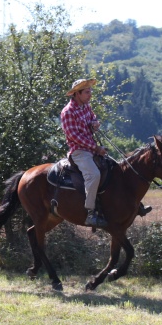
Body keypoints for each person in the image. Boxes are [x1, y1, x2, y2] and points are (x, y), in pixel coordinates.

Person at [60, 78, 109, 228]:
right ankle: (90, 212)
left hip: (91, 148)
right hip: (80, 152)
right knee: (93, 175)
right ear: (77, 94)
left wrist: (95, 123)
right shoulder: (68, 112)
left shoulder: (86, 106)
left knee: (115, 168)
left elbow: (92, 117)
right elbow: (74, 136)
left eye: (90, 91)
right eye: (87, 92)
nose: (90, 95)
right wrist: (95, 148)